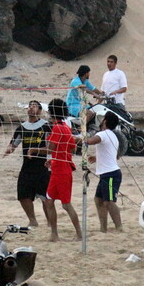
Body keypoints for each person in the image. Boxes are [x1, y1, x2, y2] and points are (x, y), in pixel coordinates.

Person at [3, 100, 53, 228]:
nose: (31, 108)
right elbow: (13, 144)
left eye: (34, 106)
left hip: (43, 166)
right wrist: (9, 149)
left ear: (40, 111)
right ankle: (32, 220)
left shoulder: (46, 126)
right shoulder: (22, 127)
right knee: (23, 194)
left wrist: (38, 151)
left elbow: (51, 147)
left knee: (46, 198)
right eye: (29, 106)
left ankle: (50, 222)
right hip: (27, 166)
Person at [45, 98, 82, 242]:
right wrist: (55, 158)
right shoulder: (66, 127)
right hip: (58, 167)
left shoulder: (58, 128)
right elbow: (72, 147)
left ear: (51, 112)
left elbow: (50, 148)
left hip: (62, 170)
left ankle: (80, 234)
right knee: (49, 201)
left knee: (66, 204)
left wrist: (34, 149)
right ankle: (54, 234)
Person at [84, 112, 123, 232]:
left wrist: (82, 137)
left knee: (109, 202)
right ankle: (103, 228)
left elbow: (91, 141)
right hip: (106, 174)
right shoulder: (112, 135)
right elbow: (114, 155)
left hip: (111, 173)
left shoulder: (103, 134)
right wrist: (96, 158)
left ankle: (119, 227)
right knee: (99, 200)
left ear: (105, 121)